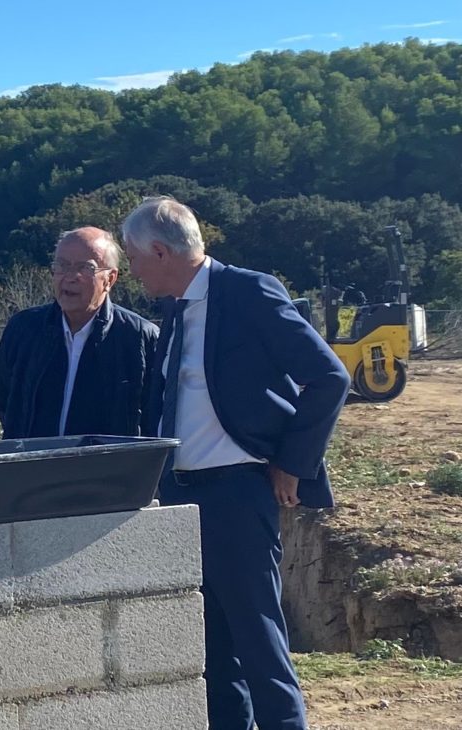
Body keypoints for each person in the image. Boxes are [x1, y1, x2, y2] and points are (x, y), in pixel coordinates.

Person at [123, 195, 348, 730]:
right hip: (181, 497)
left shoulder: (249, 292)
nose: (131, 270)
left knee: (258, 641)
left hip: (238, 495)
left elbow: (329, 378)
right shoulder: (175, 309)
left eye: (133, 258)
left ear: (160, 252)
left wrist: (292, 463)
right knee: (214, 651)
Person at [0, 227, 159, 440]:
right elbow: (5, 399)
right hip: (31, 460)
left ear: (110, 279)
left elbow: (151, 418)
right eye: (61, 266)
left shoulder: (139, 338)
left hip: (106, 462)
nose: (70, 277)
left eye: (85, 268)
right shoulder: (23, 329)